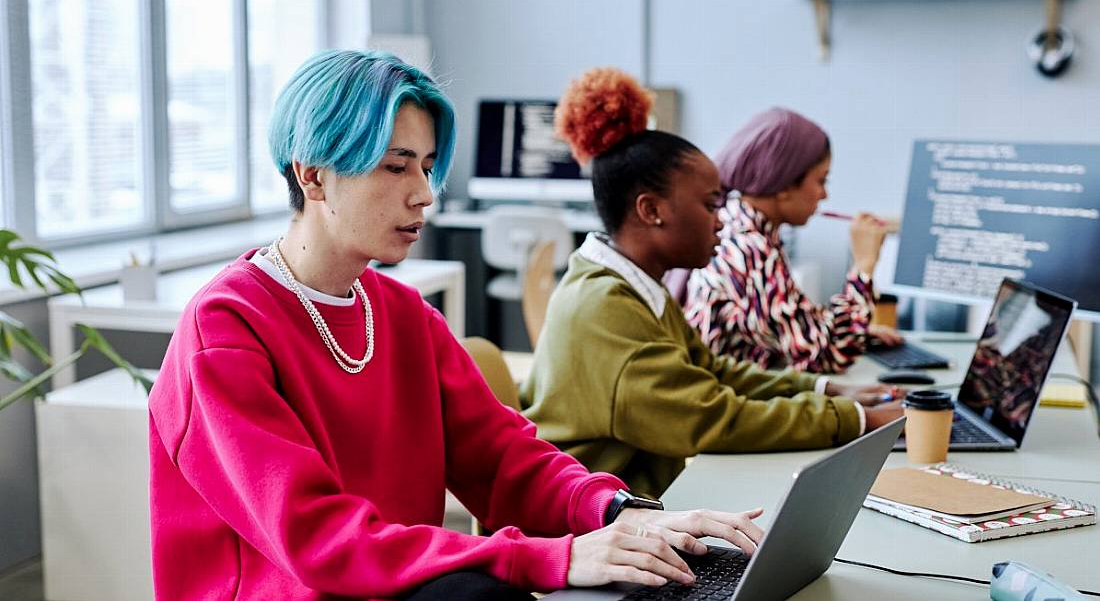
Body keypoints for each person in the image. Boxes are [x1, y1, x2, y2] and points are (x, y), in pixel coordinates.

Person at [146, 50, 773, 601]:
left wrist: (620, 512)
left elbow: (505, 459)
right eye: (396, 167)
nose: (424, 193)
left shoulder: (399, 313)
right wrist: (551, 558)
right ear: (312, 174)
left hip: (394, 586)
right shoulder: (225, 329)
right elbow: (319, 541)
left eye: (425, 165)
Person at [520, 68, 903, 500]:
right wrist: (856, 419)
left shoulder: (633, 284)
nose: (722, 220)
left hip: (631, 503)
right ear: (651, 210)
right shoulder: (606, 307)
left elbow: (713, 373)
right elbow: (711, 418)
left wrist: (828, 390)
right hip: (578, 527)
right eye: (710, 205)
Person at [680, 107, 903, 374]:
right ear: (784, 185)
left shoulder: (744, 227)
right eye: (821, 181)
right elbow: (824, 356)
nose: (824, 195)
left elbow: (792, 328)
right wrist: (864, 265)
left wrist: (861, 333)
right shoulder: (748, 246)